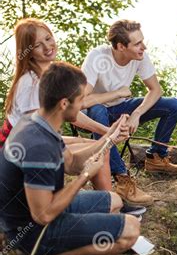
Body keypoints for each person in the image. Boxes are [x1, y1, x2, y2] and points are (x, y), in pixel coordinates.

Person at [0, 62, 140, 255]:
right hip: (30, 230)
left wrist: (110, 139)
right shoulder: (38, 147)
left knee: (115, 201)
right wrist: (84, 177)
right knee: (131, 231)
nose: (84, 105)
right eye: (81, 100)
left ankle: (59, 246)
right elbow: (43, 215)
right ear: (64, 103)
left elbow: (71, 163)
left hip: (36, 209)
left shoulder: (38, 120)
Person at [0, 18, 145, 216]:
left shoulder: (49, 72)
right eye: (37, 45)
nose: (48, 47)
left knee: (100, 145)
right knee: (101, 150)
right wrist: (107, 133)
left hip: (38, 140)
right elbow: (60, 123)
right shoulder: (31, 84)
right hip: (23, 150)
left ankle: (109, 199)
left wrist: (108, 132)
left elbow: (70, 113)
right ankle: (109, 205)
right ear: (28, 51)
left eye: (49, 39)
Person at [81, 19, 177, 204]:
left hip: (123, 109)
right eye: (137, 43)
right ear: (121, 46)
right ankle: (122, 178)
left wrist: (136, 114)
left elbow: (155, 90)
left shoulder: (140, 56)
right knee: (98, 111)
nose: (143, 47)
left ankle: (156, 157)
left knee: (173, 105)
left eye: (142, 41)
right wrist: (116, 93)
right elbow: (81, 101)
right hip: (96, 114)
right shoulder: (97, 58)